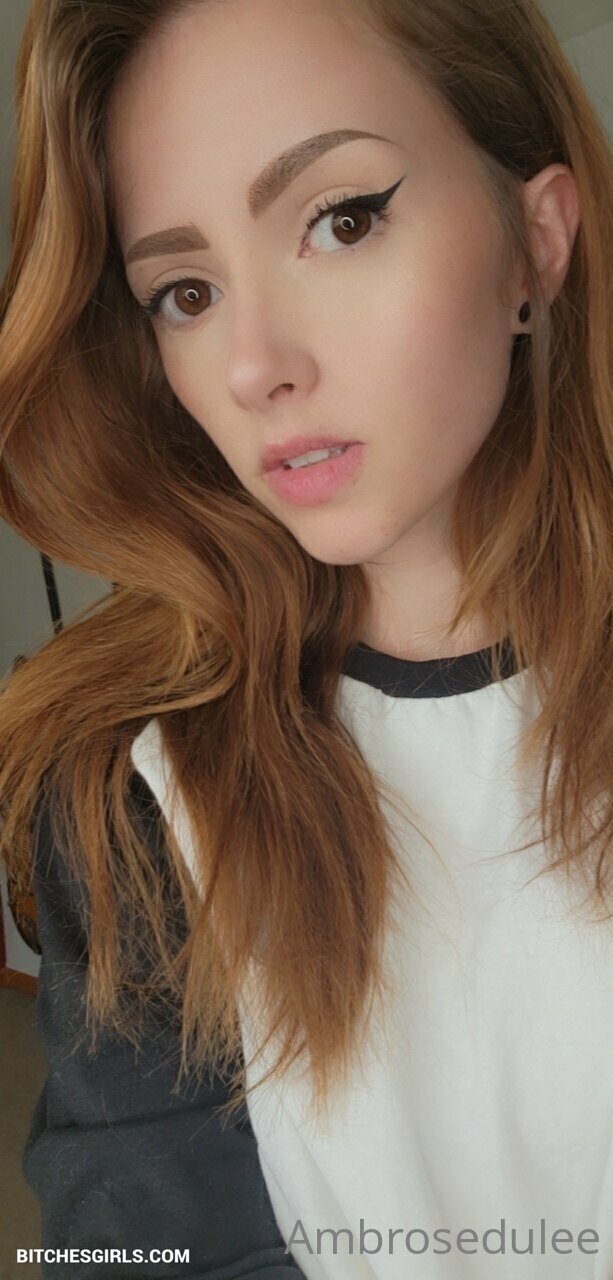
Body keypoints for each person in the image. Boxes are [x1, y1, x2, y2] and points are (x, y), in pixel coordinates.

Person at [0, 0, 611, 1276]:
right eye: (185, 292)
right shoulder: (131, 781)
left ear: (536, 240)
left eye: (340, 220)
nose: (252, 364)